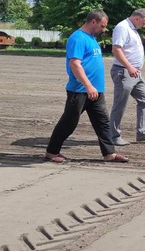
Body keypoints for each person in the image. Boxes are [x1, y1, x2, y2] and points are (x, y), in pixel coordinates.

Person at [44, 9, 128, 163]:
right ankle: (51, 152)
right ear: (93, 22)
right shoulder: (78, 38)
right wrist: (88, 86)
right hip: (80, 90)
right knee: (68, 123)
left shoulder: (91, 38)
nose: (103, 30)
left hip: (95, 90)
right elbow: (75, 64)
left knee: (103, 122)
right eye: (102, 26)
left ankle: (109, 153)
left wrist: (94, 87)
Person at [108, 8, 145, 146]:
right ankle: (114, 136)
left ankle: (142, 133)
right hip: (124, 72)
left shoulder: (132, 29)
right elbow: (116, 49)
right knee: (120, 104)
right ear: (137, 18)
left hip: (136, 73)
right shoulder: (122, 27)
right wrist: (129, 67)